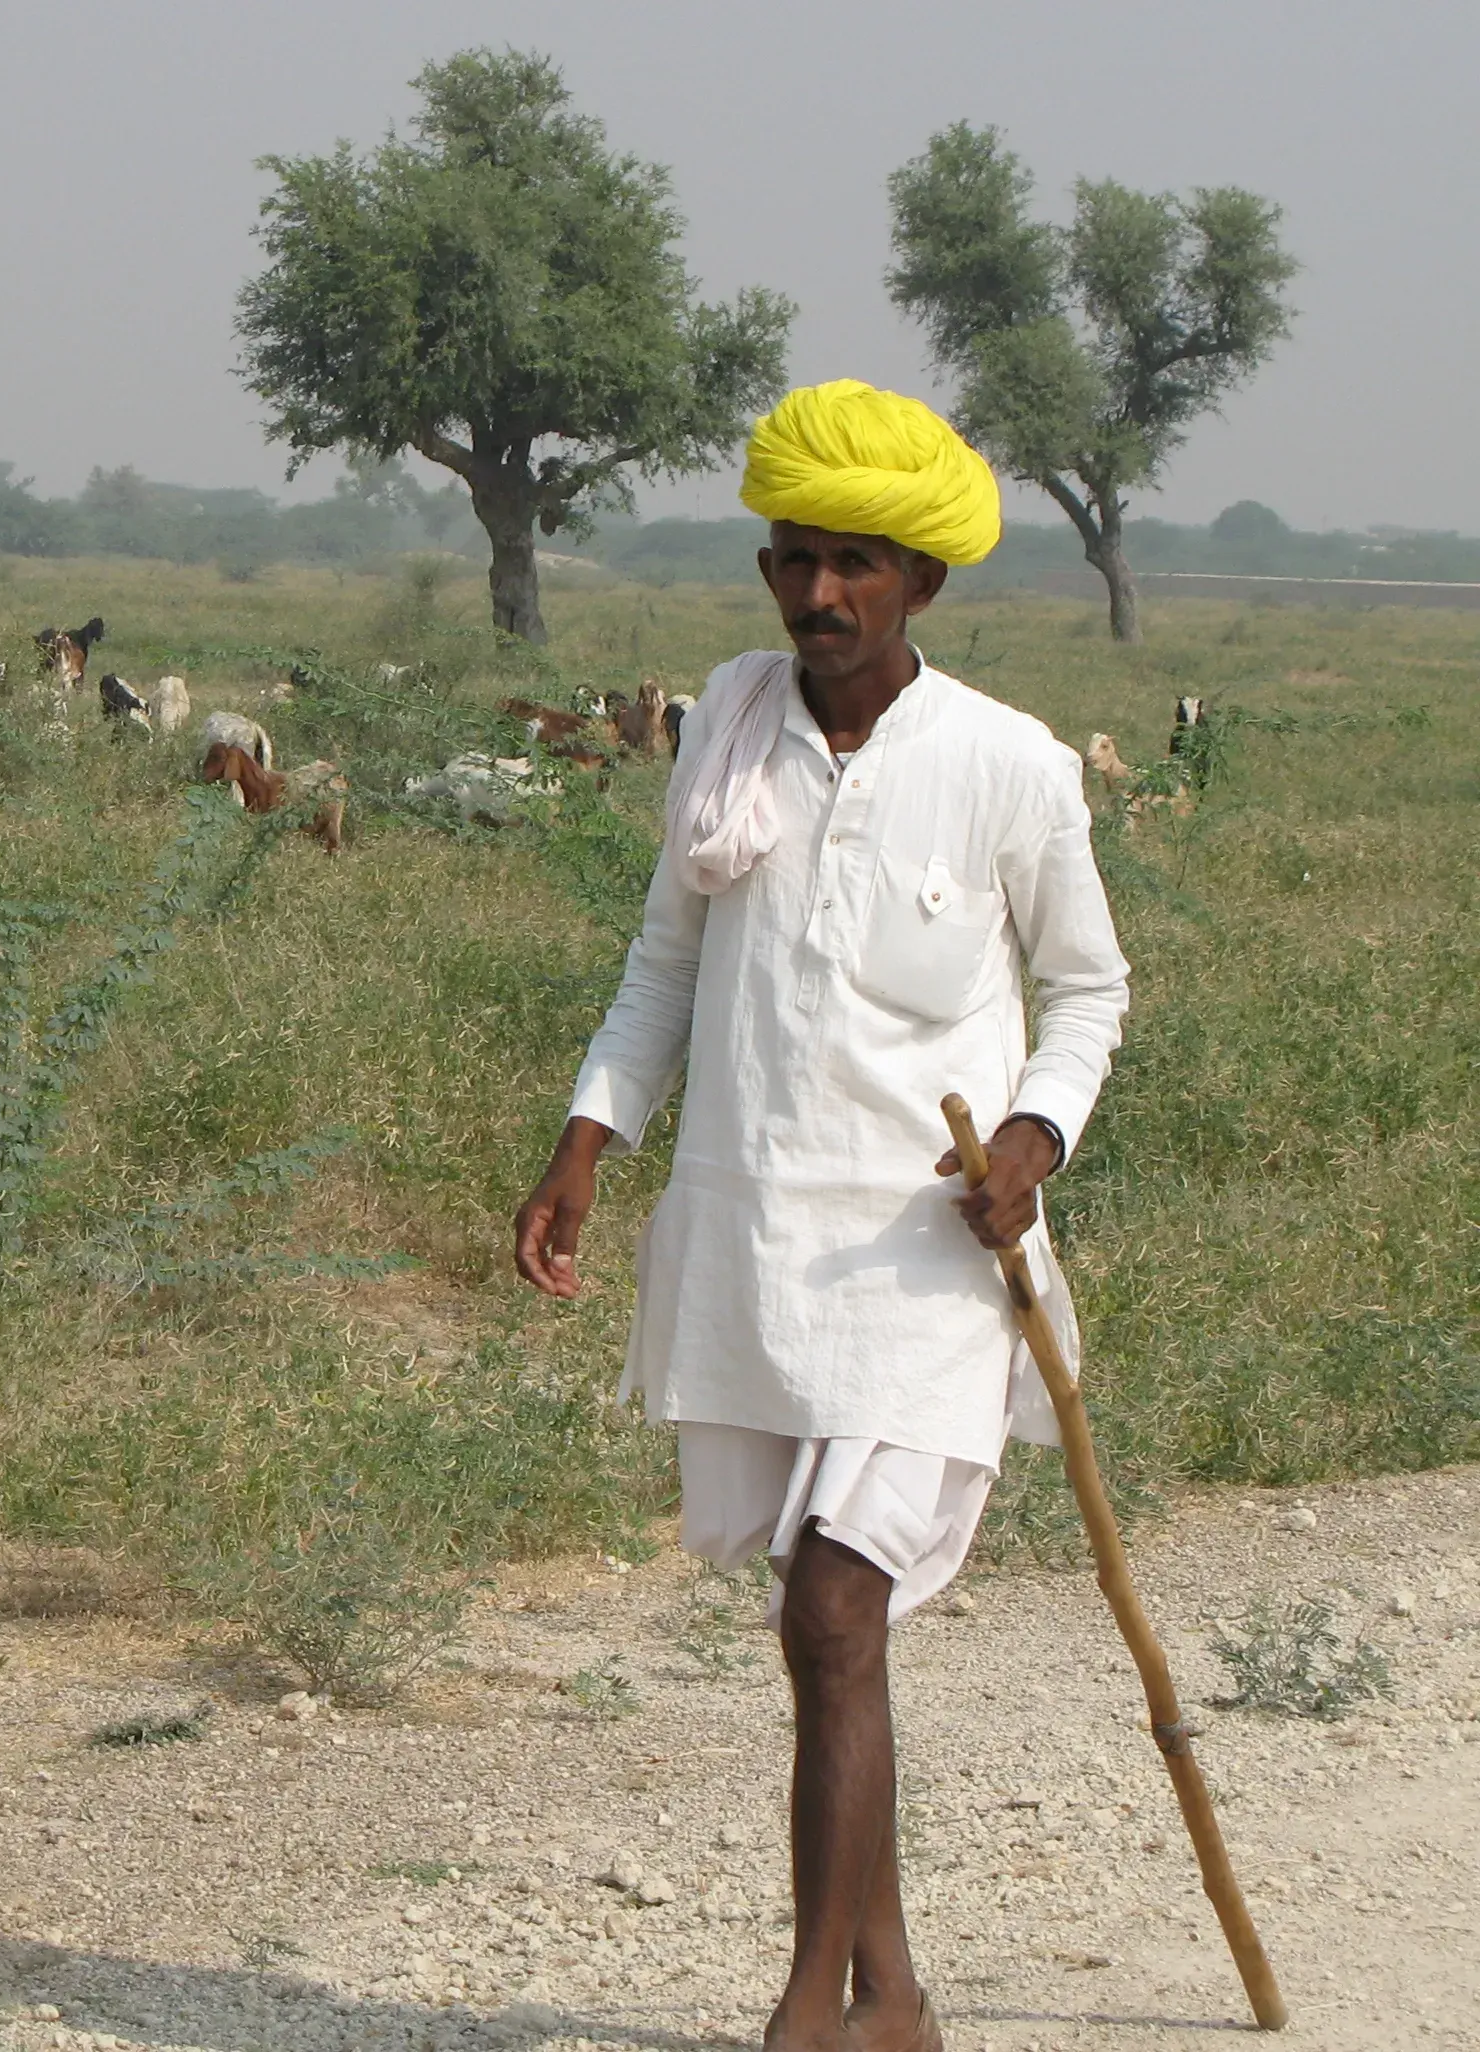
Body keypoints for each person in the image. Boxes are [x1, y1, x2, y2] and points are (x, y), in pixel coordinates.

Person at [511, 381, 1130, 2052]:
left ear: (922, 583)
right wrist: (589, 1140)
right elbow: (666, 964)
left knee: (831, 1608)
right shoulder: (724, 719)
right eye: (795, 561)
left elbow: (1086, 994)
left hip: (934, 1265)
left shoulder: (1008, 765)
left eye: (857, 565)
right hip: (758, 1242)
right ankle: (900, 2001)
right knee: (827, 1641)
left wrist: (1029, 1139)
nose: (819, 597)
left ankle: (806, 2016)